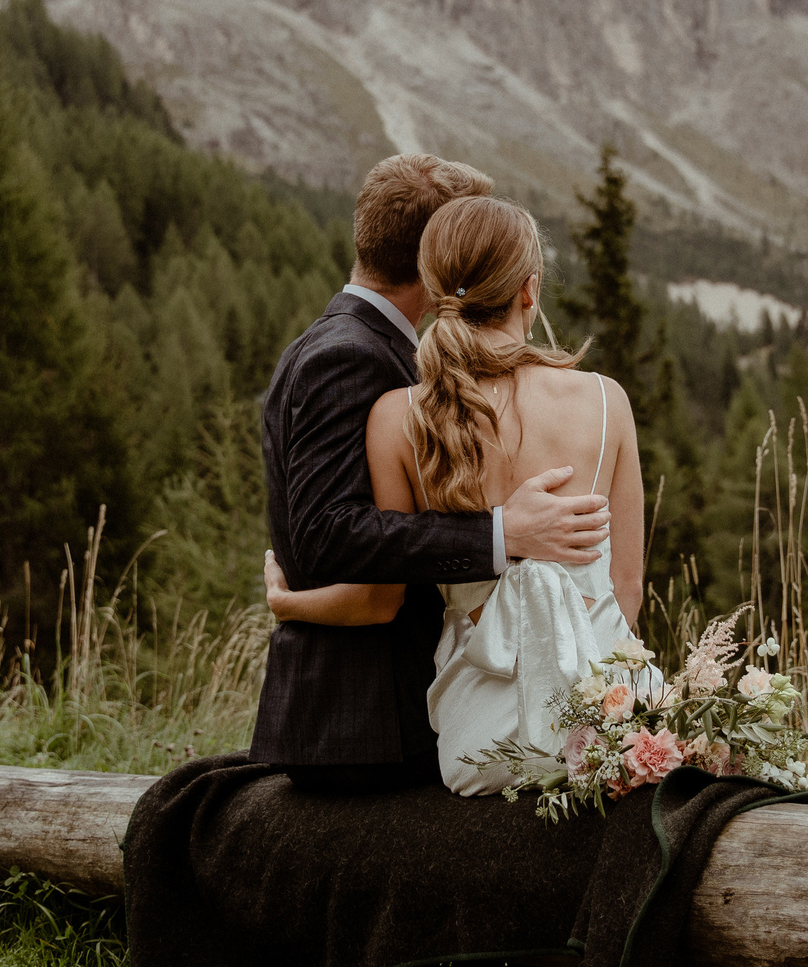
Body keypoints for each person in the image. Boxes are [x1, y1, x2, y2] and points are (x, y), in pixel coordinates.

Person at [253, 157, 611, 794]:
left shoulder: (360, 345)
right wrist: (503, 534)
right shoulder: (349, 355)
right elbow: (328, 535)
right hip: (368, 727)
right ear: (429, 256)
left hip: (377, 721)